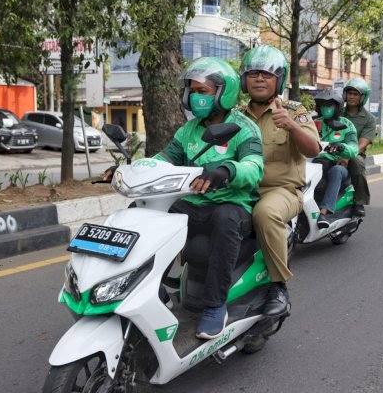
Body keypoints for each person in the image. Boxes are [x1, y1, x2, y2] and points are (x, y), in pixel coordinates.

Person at [104, 57, 264, 340]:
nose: (196, 97)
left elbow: (254, 168)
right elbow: (163, 160)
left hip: (232, 206)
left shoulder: (244, 128)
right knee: (139, 212)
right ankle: (152, 292)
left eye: (204, 91)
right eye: (193, 91)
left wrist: (225, 170)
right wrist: (128, 170)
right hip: (194, 204)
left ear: (222, 93)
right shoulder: (189, 130)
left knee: (226, 219)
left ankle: (215, 306)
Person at [238, 45, 320, 317]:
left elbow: (313, 150)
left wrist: (293, 126)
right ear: (244, 79)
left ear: (279, 80)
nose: (259, 79)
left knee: (265, 213)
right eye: (253, 73)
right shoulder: (235, 114)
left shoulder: (295, 110)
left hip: (282, 191)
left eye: (267, 74)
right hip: (241, 190)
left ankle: (278, 286)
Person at [313, 89, 358, 229]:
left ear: (338, 107)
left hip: (336, 165)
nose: (327, 108)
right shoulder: (313, 123)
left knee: (337, 170)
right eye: (324, 105)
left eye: (331, 105)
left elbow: (354, 149)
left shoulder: (346, 125)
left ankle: (324, 213)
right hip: (313, 162)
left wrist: (341, 147)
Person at [342, 77, 376, 217]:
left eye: (355, 94)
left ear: (363, 97)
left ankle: (359, 201)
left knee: (357, 162)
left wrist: (346, 155)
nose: (351, 97)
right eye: (349, 93)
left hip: (354, 153)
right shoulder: (337, 113)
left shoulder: (369, 119)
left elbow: (362, 144)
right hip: (331, 150)